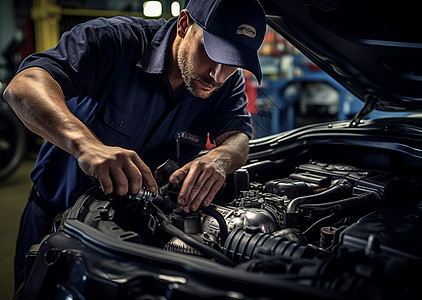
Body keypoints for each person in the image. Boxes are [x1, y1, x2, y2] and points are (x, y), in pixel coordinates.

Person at [3, 0, 266, 291]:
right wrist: (86, 145)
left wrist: (221, 158)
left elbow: (239, 137)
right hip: (59, 222)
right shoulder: (113, 40)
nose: (217, 75)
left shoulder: (226, 83)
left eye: (232, 62)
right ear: (183, 25)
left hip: (144, 229)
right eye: (212, 53)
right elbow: (23, 86)